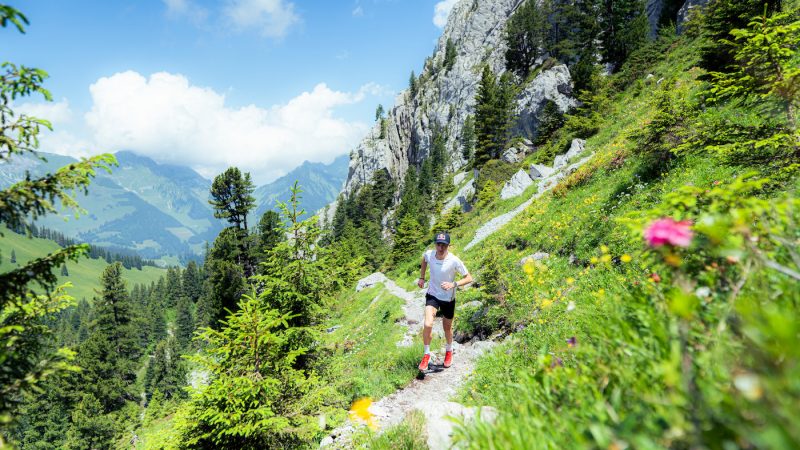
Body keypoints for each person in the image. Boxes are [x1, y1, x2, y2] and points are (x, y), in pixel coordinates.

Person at [416, 232, 472, 371]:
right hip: (433, 295)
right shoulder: (429, 254)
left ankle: (448, 351)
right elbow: (424, 260)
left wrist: (454, 284)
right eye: (438, 244)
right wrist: (422, 277)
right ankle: (426, 354)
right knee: (428, 323)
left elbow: (469, 278)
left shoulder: (454, 260)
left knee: (447, 328)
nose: (440, 248)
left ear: (448, 245)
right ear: (435, 244)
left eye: (444, 245)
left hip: (448, 298)